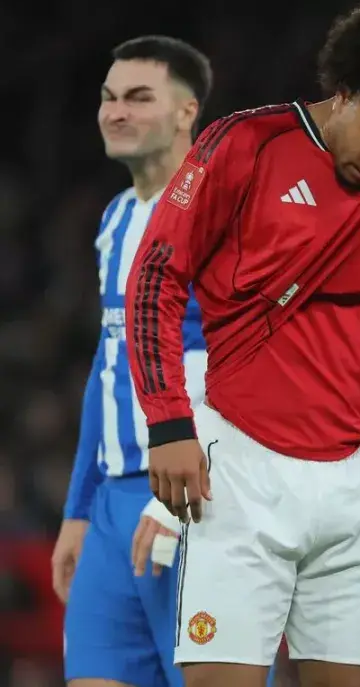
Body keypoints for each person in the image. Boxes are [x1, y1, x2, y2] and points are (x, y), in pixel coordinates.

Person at [125, 1, 360, 687]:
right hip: (242, 468)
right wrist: (170, 423)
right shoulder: (245, 145)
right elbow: (154, 279)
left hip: (357, 479)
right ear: (345, 92)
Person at [55, 35, 212, 687]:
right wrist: (78, 508)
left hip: (196, 498)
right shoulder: (116, 218)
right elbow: (109, 362)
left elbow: (239, 361)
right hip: (112, 506)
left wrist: (183, 493)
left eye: (139, 97)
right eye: (109, 97)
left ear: (185, 112)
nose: (116, 111)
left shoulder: (220, 210)